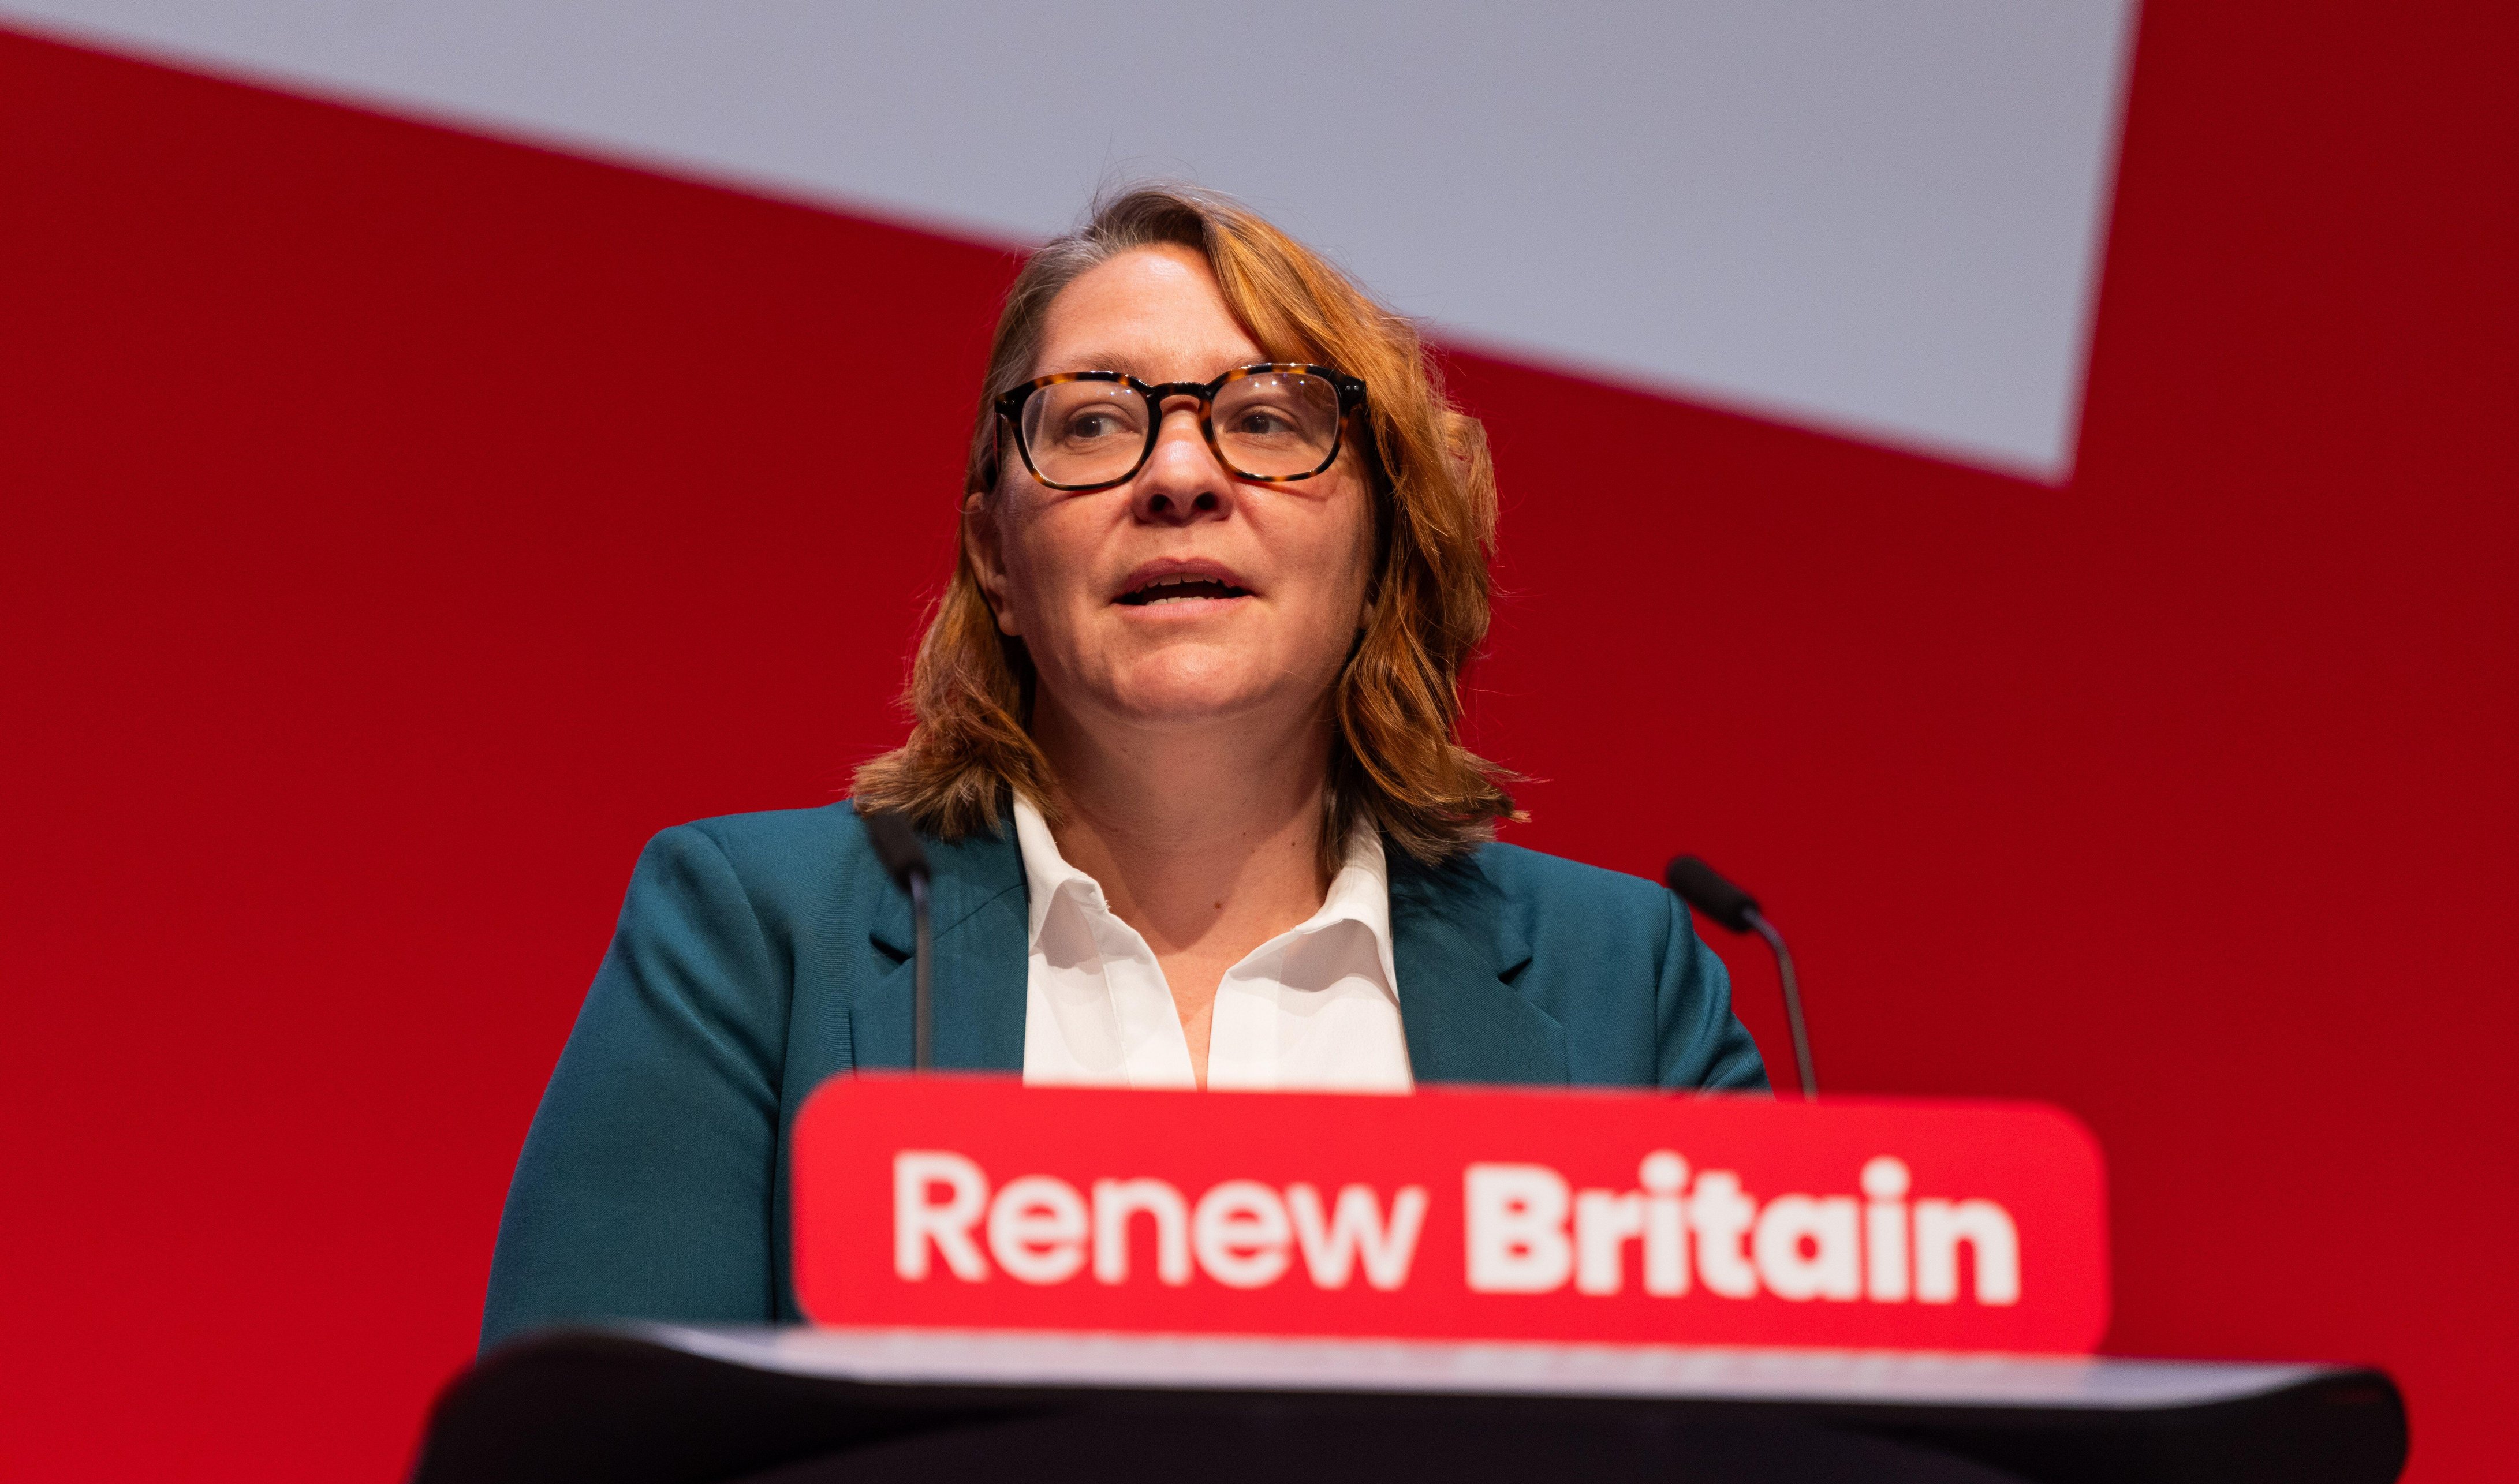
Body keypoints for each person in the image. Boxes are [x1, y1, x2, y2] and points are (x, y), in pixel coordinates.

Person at [480, 186, 1764, 1348]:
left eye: (1267, 419)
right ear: (996, 552)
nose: (1180, 474)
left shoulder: (1623, 986)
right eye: (1093, 423)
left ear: (1382, 541)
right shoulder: (764, 939)